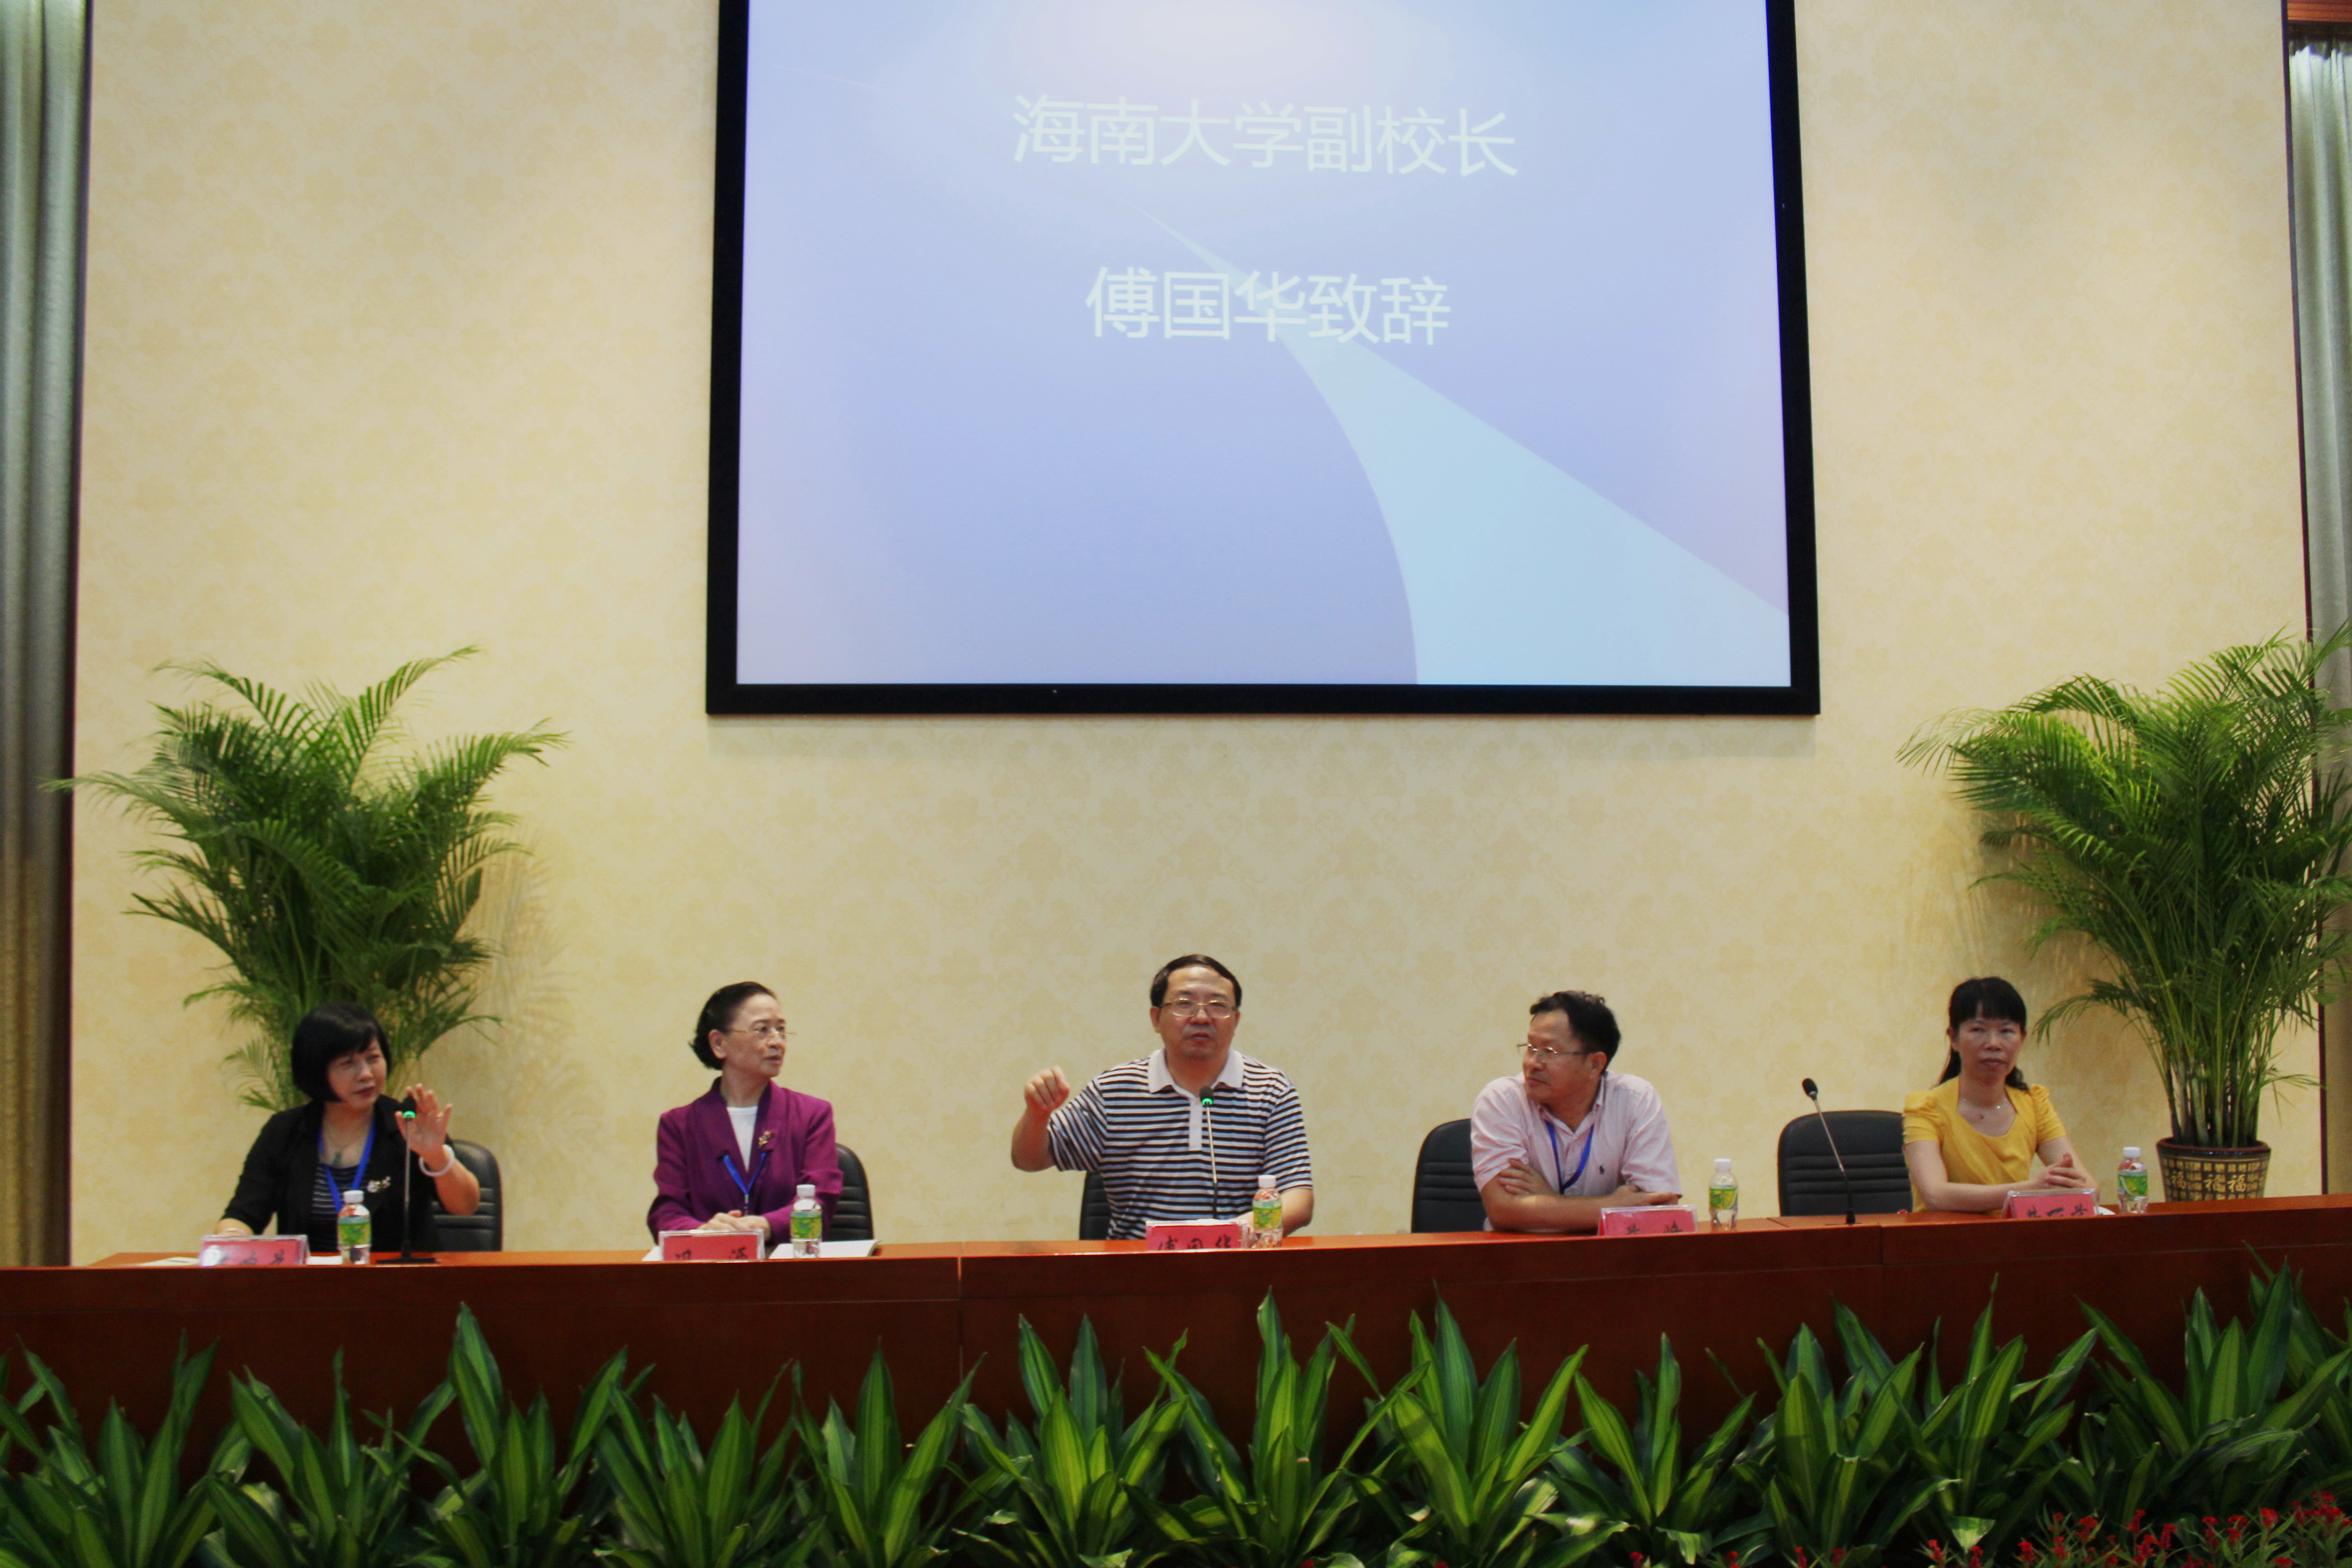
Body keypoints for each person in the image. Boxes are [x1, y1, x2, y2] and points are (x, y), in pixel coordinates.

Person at [1011, 954, 1313, 1240]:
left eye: (1218, 1005)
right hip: (1138, 1270)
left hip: (1236, 1266)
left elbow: (1298, 1200)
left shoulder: (1271, 1090)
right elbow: (1028, 1159)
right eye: (1184, 1004)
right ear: (1156, 1019)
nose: (1202, 1017)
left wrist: (1223, 1236)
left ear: (1235, 1021)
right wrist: (1037, 1116)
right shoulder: (1115, 1090)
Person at [217, 1002, 481, 1251]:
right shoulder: (285, 1131)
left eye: (373, 1058)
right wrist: (229, 1242)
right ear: (316, 1070)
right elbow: (243, 1215)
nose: (366, 1074)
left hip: (397, 1280)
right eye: (348, 1063)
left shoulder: (408, 1124)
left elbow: (466, 1207)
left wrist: (436, 1155)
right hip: (310, 1281)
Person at [1470, 990, 1681, 1233]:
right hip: (1523, 1253)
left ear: (1595, 1064)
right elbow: (1504, 1212)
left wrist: (1550, 1202)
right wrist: (1612, 1207)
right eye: (1530, 1048)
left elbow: (1658, 1208)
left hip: (1610, 1255)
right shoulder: (1503, 1100)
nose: (1532, 1063)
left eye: (1549, 1052)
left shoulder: (1635, 1099)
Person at [648, 982, 841, 1242]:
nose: (777, 1042)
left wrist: (767, 1226)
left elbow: (821, 1197)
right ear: (719, 1044)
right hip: (713, 1263)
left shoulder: (811, 1115)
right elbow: (668, 1211)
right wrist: (703, 1232)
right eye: (762, 1030)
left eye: (781, 1030)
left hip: (789, 1261)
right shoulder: (680, 1125)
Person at [1903, 976, 2092, 1211]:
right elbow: (1936, 1195)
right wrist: (2028, 1190)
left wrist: (2064, 1185)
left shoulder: (2035, 1104)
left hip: (2014, 1234)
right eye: (1978, 1030)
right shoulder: (1926, 1108)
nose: (1993, 1044)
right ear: (1954, 1039)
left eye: (2006, 1031)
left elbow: (2089, 1189)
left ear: (2022, 1039)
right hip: (1947, 1233)